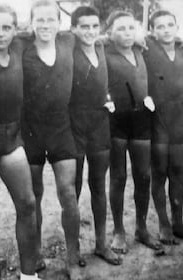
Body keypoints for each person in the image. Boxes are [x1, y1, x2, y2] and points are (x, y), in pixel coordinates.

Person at [0, 3, 60, 280]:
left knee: (27, 203)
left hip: (11, 139)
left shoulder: (22, 45)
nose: (0, 33)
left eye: (6, 27)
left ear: (15, 28)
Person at [21, 0, 86, 280]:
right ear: (31, 23)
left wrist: (138, 36)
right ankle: (34, 252)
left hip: (60, 127)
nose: (45, 25)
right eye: (40, 20)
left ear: (59, 23)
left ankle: (73, 258)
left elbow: (104, 37)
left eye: (51, 20)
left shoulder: (69, 40)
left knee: (67, 193)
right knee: (33, 195)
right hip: (30, 129)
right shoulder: (19, 45)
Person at [103, 11, 162, 254]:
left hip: (141, 121)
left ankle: (142, 227)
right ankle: (118, 230)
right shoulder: (104, 52)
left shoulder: (141, 50)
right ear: (110, 33)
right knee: (118, 177)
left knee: (144, 176)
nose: (127, 33)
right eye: (121, 29)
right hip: (116, 122)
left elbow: (161, 38)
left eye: (131, 28)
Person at [69, 6, 121, 265]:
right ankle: (74, 249)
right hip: (74, 126)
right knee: (74, 188)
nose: (89, 31)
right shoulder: (66, 45)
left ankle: (101, 243)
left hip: (100, 125)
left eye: (93, 26)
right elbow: (26, 35)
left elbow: (131, 35)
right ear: (73, 29)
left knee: (98, 185)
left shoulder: (102, 45)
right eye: (83, 26)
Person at [143, 10, 183, 244]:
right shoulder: (147, 47)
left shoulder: (182, 49)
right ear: (153, 30)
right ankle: (164, 224)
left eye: (170, 25)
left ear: (176, 28)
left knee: (177, 170)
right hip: (158, 119)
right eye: (160, 26)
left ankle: (178, 223)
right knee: (159, 172)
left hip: (180, 119)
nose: (166, 29)